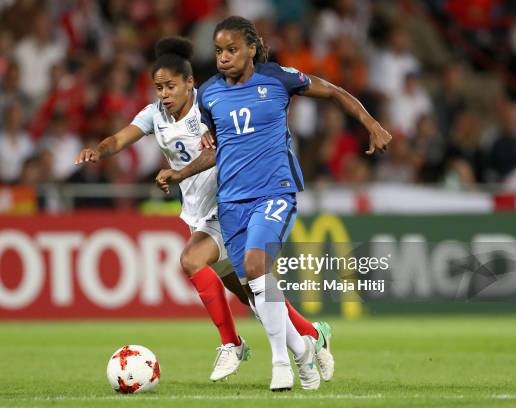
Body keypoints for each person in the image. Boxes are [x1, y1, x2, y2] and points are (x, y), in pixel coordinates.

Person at [75, 36, 330, 383]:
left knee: (193, 261)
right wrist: (99, 150)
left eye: (170, 86)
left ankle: (233, 344)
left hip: (232, 204)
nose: (164, 94)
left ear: (190, 83)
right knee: (255, 297)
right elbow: (120, 139)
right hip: (199, 213)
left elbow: (222, 148)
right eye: (158, 87)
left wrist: (180, 172)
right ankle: (313, 337)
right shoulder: (154, 115)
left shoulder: (211, 104)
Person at [156, 16, 391, 391]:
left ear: (251, 48)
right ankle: (306, 346)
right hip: (230, 202)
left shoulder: (278, 78)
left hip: (274, 191)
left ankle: (281, 364)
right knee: (255, 288)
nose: (224, 57)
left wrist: (371, 123)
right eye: (218, 51)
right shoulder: (211, 95)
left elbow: (331, 90)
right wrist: (180, 174)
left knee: (254, 266)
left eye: (232, 50)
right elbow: (219, 151)